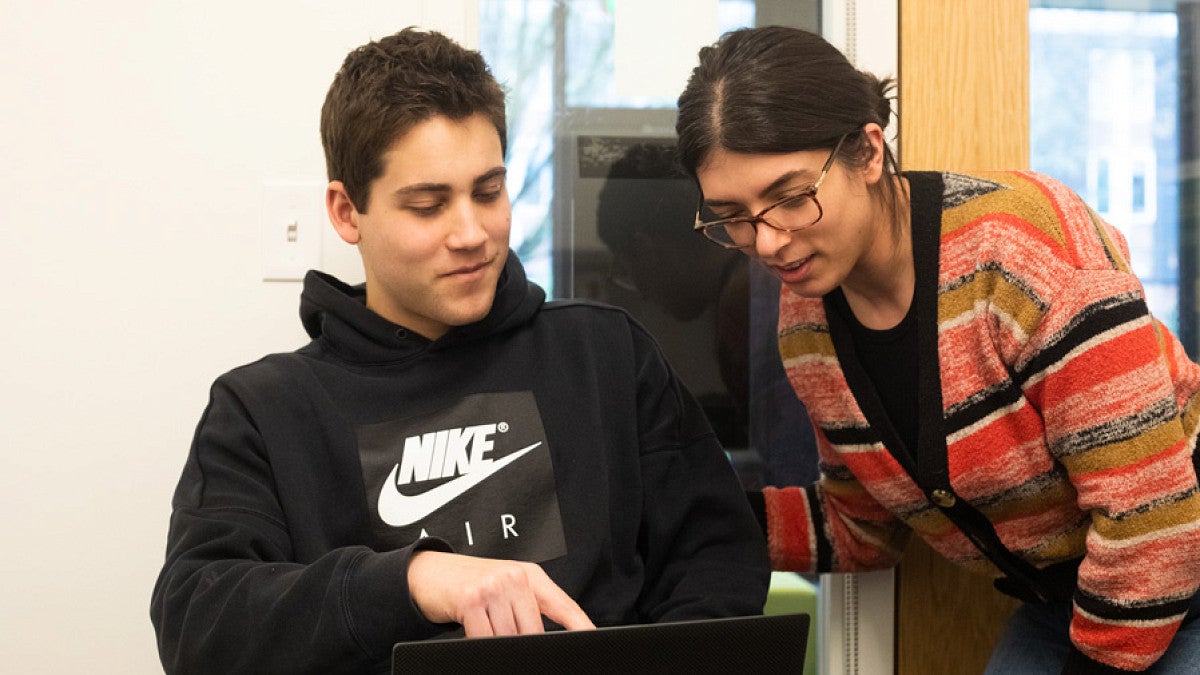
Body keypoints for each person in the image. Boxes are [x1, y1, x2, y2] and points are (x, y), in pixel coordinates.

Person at [150, 27, 769, 675]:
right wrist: (415, 580)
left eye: (488, 191)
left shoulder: (605, 353)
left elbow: (719, 558)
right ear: (345, 210)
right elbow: (198, 621)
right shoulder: (262, 410)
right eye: (428, 205)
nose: (471, 233)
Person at [674, 25, 1200, 674]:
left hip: (1176, 561)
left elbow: (1153, 517)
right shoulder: (808, 328)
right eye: (733, 215)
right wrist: (694, 512)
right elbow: (862, 531)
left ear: (868, 153)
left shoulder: (1018, 249)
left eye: (789, 198)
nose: (769, 242)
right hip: (1071, 597)